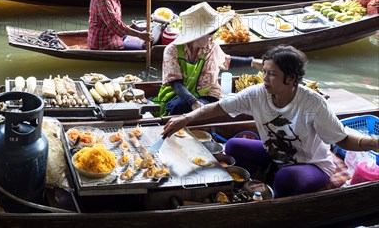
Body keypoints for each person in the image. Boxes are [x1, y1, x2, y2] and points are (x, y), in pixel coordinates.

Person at [161, 45, 379, 197]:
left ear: (291, 78)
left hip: (311, 165)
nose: (264, 79)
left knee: (286, 178)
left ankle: (274, 202)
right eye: (264, 72)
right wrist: (186, 118)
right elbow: (218, 107)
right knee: (235, 146)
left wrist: (371, 143)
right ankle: (248, 188)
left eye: (272, 74)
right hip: (276, 155)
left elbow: (341, 138)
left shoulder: (313, 103)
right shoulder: (258, 93)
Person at [156, 2, 262, 115]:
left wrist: (253, 62)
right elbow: (175, 83)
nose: (213, 37)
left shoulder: (211, 47)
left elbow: (225, 61)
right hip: (178, 95)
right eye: (210, 33)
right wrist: (193, 102)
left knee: (210, 108)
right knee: (179, 106)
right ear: (197, 34)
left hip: (207, 94)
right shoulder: (172, 50)